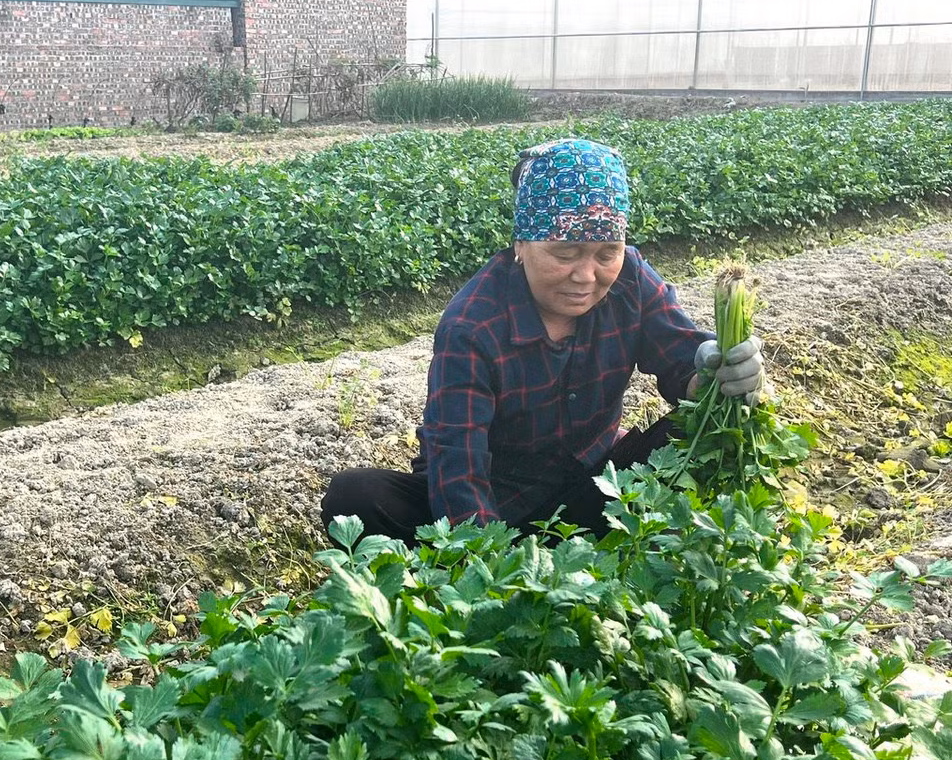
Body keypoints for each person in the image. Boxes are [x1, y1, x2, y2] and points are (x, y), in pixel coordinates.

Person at [320, 138, 766, 544]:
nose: (586, 276)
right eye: (565, 253)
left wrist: (716, 372)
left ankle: (601, 544)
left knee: (703, 430)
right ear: (521, 244)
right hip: (496, 497)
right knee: (356, 497)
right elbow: (458, 460)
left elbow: (682, 360)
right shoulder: (473, 325)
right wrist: (491, 563)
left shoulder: (631, 278)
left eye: (606, 253)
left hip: (598, 483)